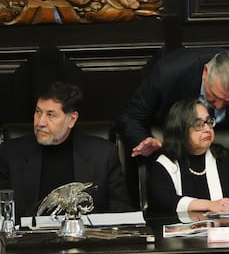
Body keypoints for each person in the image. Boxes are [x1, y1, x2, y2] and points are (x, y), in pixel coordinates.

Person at [117, 47, 229, 169]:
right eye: (214, 97)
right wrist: (145, 142)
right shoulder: (169, 74)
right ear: (205, 72)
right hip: (177, 160)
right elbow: (131, 117)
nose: (219, 106)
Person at [0, 82, 133, 222]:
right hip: (27, 241)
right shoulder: (10, 154)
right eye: (38, 112)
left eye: (51, 115)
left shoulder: (103, 155)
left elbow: (121, 214)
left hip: (86, 240)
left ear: (72, 120)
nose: (40, 122)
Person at [148, 99, 229, 214]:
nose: (207, 129)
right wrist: (210, 205)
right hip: (183, 233)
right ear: (180, 129)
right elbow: (161, 201)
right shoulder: (165, 162)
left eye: (209, 121)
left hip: (226, 231)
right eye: (198, 124)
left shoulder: (226, 157)